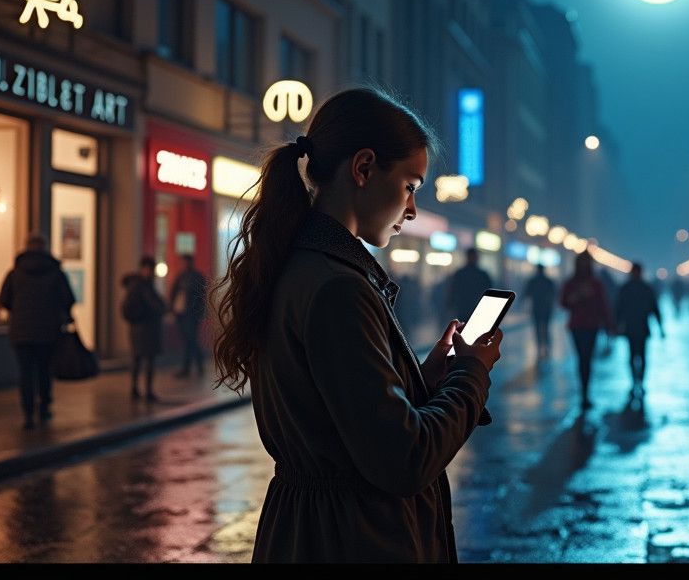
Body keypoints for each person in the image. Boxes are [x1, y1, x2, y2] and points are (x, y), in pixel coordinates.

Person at [210, 87, 501, 562]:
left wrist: (422, 381)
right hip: (353, 539)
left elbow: (346, 419)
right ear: (364, 169)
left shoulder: (302, 266)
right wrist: (472, 375)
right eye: (410, 185)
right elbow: (403, 460)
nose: (411, 209)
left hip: (314, 533)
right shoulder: (337, 288)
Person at [0, 235, 75, 429]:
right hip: (48, 331)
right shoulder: (55, 273)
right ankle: (44, 406)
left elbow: (4, 299)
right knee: (44, 370)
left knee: (26, 373)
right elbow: (68, 299)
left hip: (21, 331)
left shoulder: (15, 273)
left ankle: (28, 413)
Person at [559, 250, 613, 410]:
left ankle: (585, 392)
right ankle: (584, 392)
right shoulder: (571, 283)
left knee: (587, 358)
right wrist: (576, 296)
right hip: (577, 326)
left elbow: (603, 305)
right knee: (582, 357)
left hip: (592, 325)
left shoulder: (596, 284)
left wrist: (609, 325)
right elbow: (563, 303)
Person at [614, 262, 663, 400]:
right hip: (637, 327)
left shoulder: (628, 288)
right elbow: (619, 308)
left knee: (638, 356)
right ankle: (637, 382)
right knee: (636, 357)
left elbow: (654, 308)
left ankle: (638, 382)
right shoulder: (644, 288)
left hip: (636, 327)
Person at [121, 256, 166, 402]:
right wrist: (161, 309)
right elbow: (154, 305)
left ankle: (136, 389)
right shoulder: (143, 285)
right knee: (147, 360)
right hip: (146, 327)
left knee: (138, 359)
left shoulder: (137, 284)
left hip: (138, 328)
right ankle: (146, 391)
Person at [169, 253, 209, 379]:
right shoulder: (181, 276)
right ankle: (196, 365)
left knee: (190, 339)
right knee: (189, 340)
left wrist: (200, 312)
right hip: (181, 313)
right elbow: (173, 293)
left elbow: (201, 296)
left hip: (191, 314)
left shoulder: (196, 276)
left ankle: (191, 367)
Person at [446, 248, 492, 323]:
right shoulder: (482, 275)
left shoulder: (460, 273)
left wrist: (450, 306)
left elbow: (452, 291)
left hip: (463, 310)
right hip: (476, 311)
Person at [523, 263, 557, 361]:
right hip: (546, 309)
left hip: (536, 309)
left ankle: (539, 347)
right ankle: (546, 347)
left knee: (537, 328)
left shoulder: (532, 281)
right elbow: (554, 293)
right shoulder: (548, 281)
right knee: (546, 328)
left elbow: (527, 293)